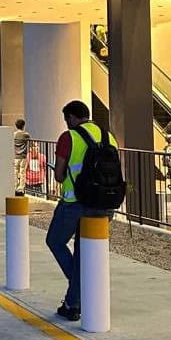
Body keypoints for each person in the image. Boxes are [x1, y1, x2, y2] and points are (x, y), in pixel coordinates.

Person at [45, 100, 117, 321]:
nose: (67, 123)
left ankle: (80, 288)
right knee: (82, 251)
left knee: (55, 241)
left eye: (67, 119)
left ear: (72, 117)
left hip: (75, 203)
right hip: (104, 203)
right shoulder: (107, 136)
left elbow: (58, 175)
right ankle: (72, 303)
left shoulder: (69, 137)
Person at [13, 119, 30, 196]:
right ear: (23, 126)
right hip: (23, 156)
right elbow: (29, 139)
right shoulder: (25, 134)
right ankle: (21, 188)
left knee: (15, 172)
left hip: (15, 156)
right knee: (22, 172)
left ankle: (14, 187)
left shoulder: (14, 135)